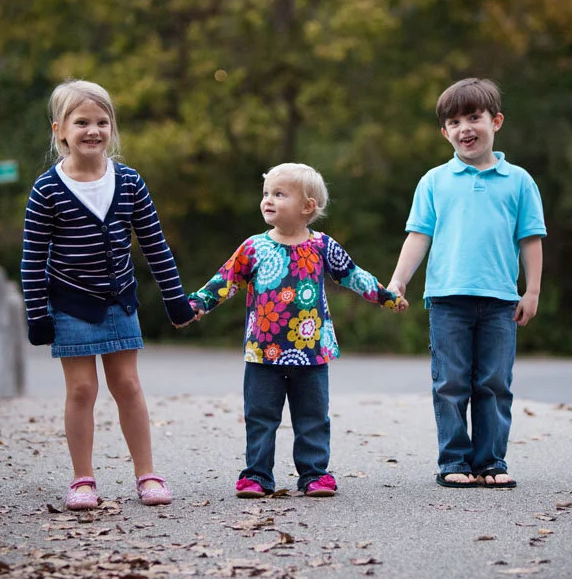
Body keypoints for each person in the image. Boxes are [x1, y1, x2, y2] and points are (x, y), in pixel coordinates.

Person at [21, 79, 196, 509]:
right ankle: (83, 479)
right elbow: (31, 258)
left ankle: (147, 474)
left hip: (120, 300)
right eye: (82, 122)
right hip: (70, 305)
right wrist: (37, 314)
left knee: (128, 384)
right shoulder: (47, 190)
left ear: (112, 127)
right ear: (59, 129)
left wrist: (176, 300)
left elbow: (155, 245)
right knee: (81, 390)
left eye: (102, 121)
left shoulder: (130, 182)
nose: (93, 130)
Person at [188, 162, 403, 498]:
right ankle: (257, 475)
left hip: (312, 350)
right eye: (266, 193)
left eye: (279, 194)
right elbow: (225, 280)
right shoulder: (253, 247)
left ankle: (315, 474)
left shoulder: (321, 247)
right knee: (260, 417)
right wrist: (199, 302)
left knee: (313, 417)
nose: (268, 200)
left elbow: (353, 274)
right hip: (263, 350)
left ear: (307, 207)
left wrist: (385, 297)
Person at [387, 78, 546, 489]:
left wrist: (531, 291)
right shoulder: (435, 181)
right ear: (445, 133)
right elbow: (418, 235)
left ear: (496, 121)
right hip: (447, 299)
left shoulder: (519, 181)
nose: (465, 128)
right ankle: (454, 461)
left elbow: (530, 238)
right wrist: (399, 280)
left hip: (499, 301)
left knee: (494, 384)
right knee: (450, 383)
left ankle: (492, 461)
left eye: (474, 117)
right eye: (454, 122)